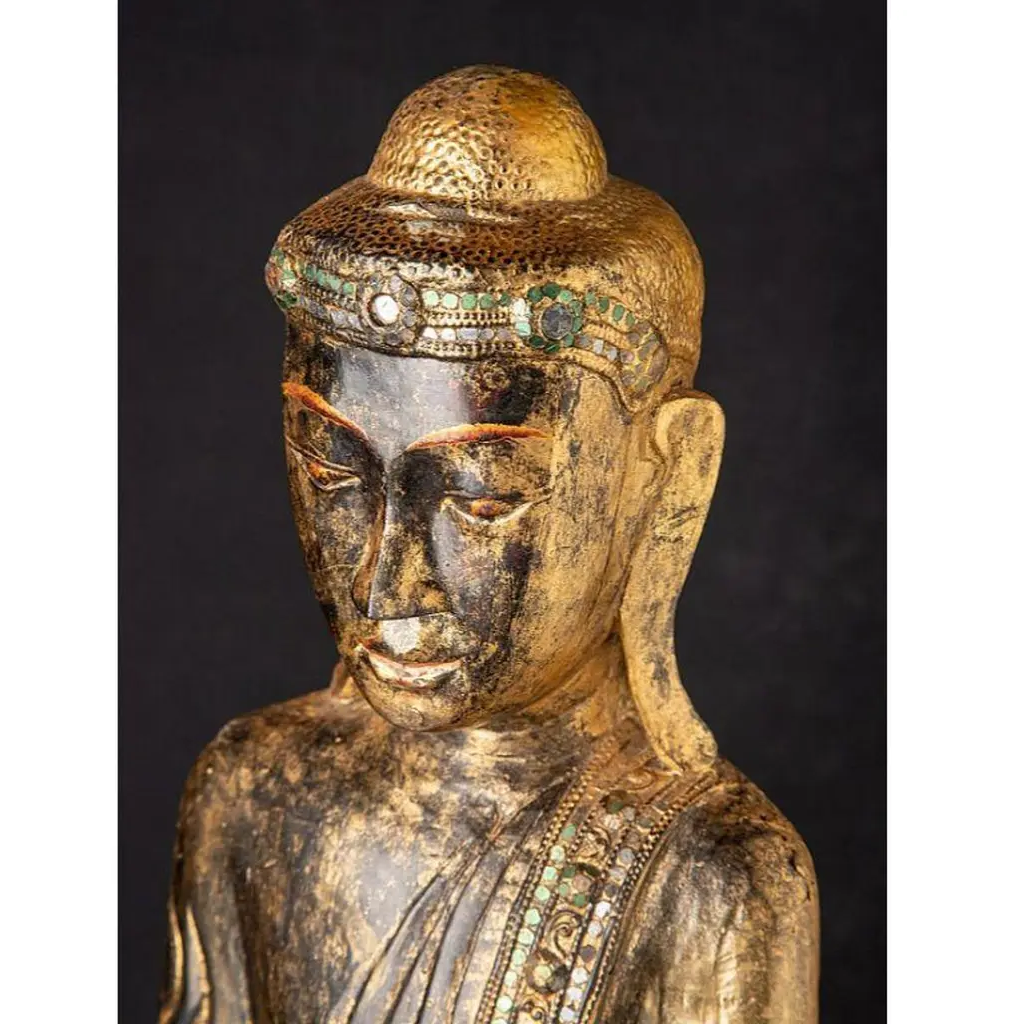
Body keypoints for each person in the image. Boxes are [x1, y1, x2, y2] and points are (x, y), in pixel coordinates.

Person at [161, 66, 818, 1024]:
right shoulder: (250, 795)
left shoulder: (712, 878)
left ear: (670, 473)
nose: (385, 584)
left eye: (477, 500)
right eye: (334, 474)